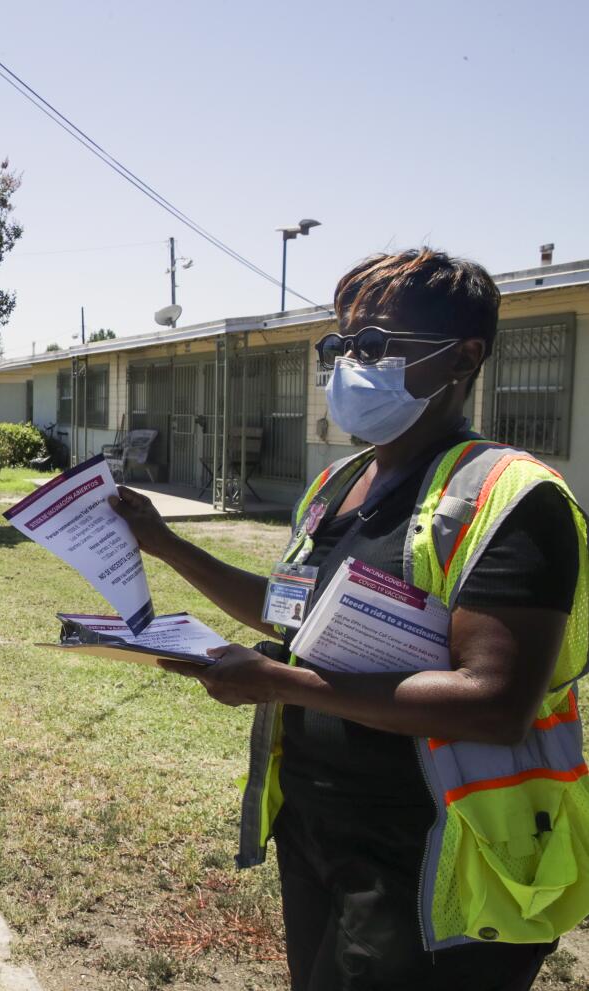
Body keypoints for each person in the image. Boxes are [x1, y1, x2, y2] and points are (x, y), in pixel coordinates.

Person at [113, 248, 588, 990]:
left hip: (441, 849)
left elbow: (496, 704)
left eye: (375, 346)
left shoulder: (513, 500)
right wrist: (165, 544)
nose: (347, 365)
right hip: (320, 828)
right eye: (338, 346)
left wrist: (282, 682)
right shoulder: (339, 483)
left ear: (464, 357)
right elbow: (290, 612)